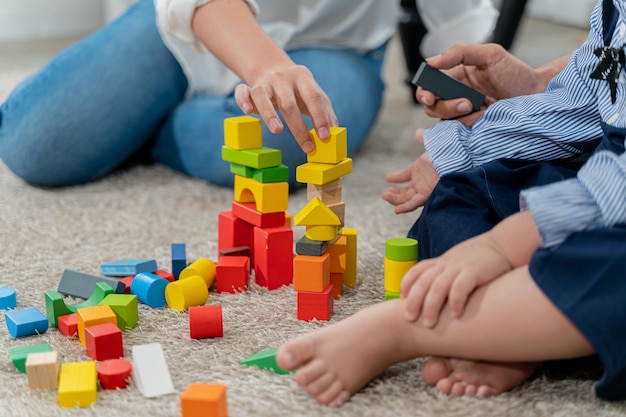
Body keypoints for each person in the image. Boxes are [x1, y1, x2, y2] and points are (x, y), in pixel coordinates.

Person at [276, 0, 626, 407]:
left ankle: (413, 330)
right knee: (463, 191)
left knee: (608, 268)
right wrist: (463, 145)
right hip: (601, 169)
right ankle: (507, 329)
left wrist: (504, 246)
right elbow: (577, 107)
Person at [0, 0, 396, 188]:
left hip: (336, 44)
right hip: (196, 20)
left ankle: (145, 127)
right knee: (32, 145)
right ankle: (164, 115)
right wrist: (263, 64)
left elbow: (456, 19)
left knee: (287, 144)